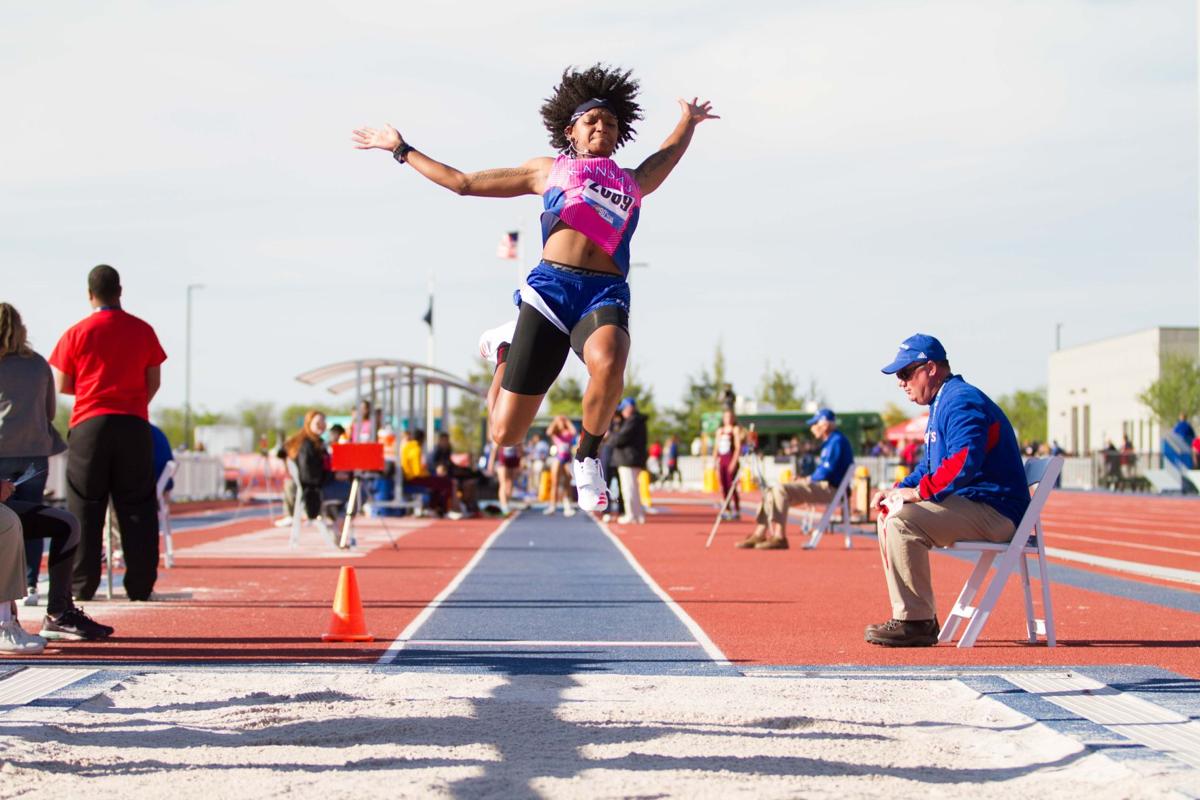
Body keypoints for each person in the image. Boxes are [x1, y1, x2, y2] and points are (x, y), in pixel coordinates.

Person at [353, 65, 717, 516]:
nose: (602, 127)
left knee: (611, 361)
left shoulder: (632, 181)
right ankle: (505, 351)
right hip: (550, 293)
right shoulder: (548, 171)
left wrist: (688, 120)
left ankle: (586, 458)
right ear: (573, 131)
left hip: (603, 293)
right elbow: (463, 183)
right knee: (505, 434)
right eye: (592, 122)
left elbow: (668, 153)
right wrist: (401, 149)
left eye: (610, 122)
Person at [866, 334, 1029, 647]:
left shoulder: (960, 400)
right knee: (890, 511)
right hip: (980, 504)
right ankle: (912, 616)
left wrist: (918, 493)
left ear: (930, 368)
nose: (901, 382)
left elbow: (964, 460)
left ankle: (917, 622)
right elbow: (929, 467)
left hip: (995, 510)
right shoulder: (943, 402)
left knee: (902, 521)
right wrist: (897, 489)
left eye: (905, 373)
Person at [49, 265, 166, 602]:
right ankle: (140, 585)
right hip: (132, 423)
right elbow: (153, 379)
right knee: (137, 506)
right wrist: (132, 402)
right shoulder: (143, 330)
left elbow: (62, 383)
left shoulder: (77, 332)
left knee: (84, 506)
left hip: (89, 424)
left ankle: (82, 585)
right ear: (120, 291)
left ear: (89, 294)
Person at [0, 302, 67, 606]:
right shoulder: (39, 364)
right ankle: (31, 583)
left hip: (1, 451)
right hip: (34, 452)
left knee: (4, 518)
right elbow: (50, 410)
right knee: (34, 516)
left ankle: (5, 590)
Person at [737, 408, 853, 551]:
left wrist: (806, 480)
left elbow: (826, 472)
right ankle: (759, 533)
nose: (811, 428)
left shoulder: (836, 441)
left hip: (832, 489)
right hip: (825, 486)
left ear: (824, 424)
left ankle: (779, 537)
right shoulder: (831, 441)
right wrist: (803, 479)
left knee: (780, 489)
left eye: (814, 424)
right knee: (771, 490)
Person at [284, 411, 332, 522]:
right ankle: (338, 521)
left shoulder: (317, 442)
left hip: (308, 484)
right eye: (318, 423)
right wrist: (330, 476)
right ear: (309, 423)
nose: (321, 425)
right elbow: (309, 474)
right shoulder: (307, 444)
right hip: (311, 488)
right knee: (351, 491)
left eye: (323, 422)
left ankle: (336, 522)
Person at [610, 397, 648, 524]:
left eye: (624, 410)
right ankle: (638, 515)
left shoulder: (632, 421)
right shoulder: (638, 420)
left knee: (628, 488)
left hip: (628, 458)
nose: (622, 413)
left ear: (629, 408)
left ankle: (631, 514)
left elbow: (620, 439)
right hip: (633, 458)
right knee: (634, 488)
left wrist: (611, 437)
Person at [713, 409, 744, 521]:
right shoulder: (720, 431)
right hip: (722, 460)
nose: (728, 419)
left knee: (732, 485)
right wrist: (714, 462)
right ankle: (727, 509)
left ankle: (736, 509)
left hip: (731, 459)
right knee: (724, 486)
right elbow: (716, 448)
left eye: (730, 417)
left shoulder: (735, 430)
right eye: (726, 417)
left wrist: (734, 462)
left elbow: (738, 447)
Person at [544, 415, 577, 516]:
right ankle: (552, 506)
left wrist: (566, 420)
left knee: (567, 482)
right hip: (557, 458)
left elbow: (574, 432)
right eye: (560, 421)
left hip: (567, 459)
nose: (561, 422)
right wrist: (555, 421)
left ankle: (567, 506)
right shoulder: (555, 433)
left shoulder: (568, 433)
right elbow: (548, 432)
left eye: (562, 421)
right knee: (555, 483)